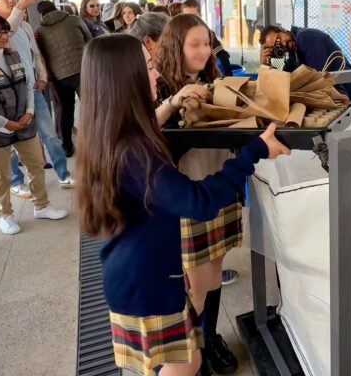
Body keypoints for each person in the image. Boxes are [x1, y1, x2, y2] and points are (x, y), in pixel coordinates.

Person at [76, 33, 289, 376]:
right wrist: (255, 151)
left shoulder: (107, 131)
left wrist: (173, 104)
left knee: (183, 360)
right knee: (184, 364)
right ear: (126, 78)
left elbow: (150, 124)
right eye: (148, 67)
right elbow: (199, 202)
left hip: (137, 271)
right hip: (148, 283)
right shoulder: (134, 152)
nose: (156, 73)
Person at [154, 14, 241, 374]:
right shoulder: (157, 83)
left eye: (207, 43)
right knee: (195, 279)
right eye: (195, 44)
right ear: (176, 46)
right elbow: (141, 127)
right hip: (188, 192)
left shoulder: (213, 78)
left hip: (221, 182)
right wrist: (174, 101)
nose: (205, 51)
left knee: (215, 269)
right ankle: (188, 351)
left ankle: (208, 336)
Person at [0, 15, 68, 235]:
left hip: (22, 119)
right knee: (1, 174)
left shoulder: (14, 55)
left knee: (36, 164)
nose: (3, 36)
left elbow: (27, 85)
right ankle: (4, 214)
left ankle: (42, 205)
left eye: (5, 31)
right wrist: (4, 123)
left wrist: (29, 112)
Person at [0, 0, 73, 197]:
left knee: (50, 136)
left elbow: (35, 55)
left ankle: (63, 174)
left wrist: (42, 77)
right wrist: (19, 7)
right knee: (10, 140)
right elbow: (6, 34)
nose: (11, 1)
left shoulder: (26, 26)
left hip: (32, 91)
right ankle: (17, 182)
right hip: (8, 96)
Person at [36, 1, 92, 157]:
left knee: (65, 111)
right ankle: (96, 143)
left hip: (60, 77)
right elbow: (89, 40)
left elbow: (42, 57)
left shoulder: (40, 32)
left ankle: (67, 146)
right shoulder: (75, 20)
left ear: (41, 15)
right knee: (91, 108)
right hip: (84, 70)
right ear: (56, 8)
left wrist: (50, 78)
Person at [260, 25, 351, 102]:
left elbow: (320, 79)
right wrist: (265, 64)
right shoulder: (293, 51)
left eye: (279, 40)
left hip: (350, 98)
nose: (282, 45)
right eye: (277, 47)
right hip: (336, 97)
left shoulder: (306, 38)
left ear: (282, 30)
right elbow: (284, 80)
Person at [181, 0, 233, 78]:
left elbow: (223, 55)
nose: (190, 19)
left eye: (194, 15)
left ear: (200, 15)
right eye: (187, 16)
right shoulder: (176, 35)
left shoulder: (208, 34)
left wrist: (229, 78)